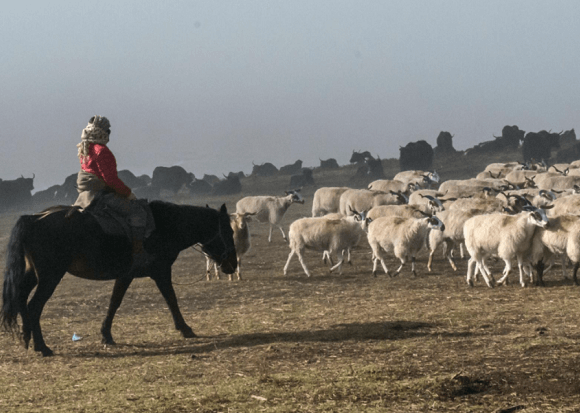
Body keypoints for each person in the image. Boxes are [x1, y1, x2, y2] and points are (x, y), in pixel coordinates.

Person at [73, 115, 154, 276]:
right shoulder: (102, 151)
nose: (109, 134)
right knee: (138, 212)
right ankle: (138, 253)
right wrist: (128, 193)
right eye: (108, 131)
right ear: (102, 132)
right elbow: (110, 180)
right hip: (101, 195)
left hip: (85, 195)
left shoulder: (84, 148)